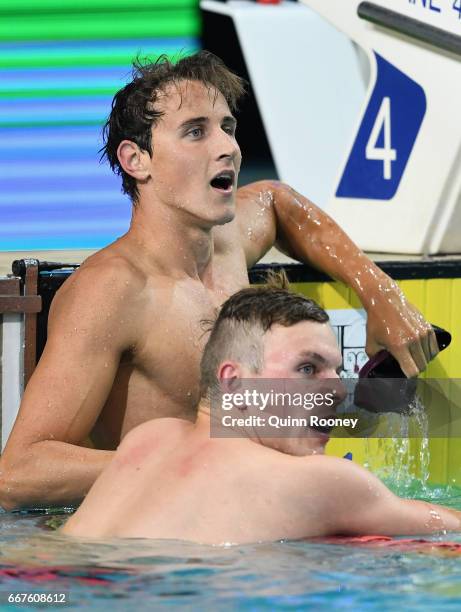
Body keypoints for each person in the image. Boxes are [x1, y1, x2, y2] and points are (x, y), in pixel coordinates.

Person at [0, 51, 437, 511]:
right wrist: (199, 459)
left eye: (227, 127)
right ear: (136, 160)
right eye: (195, 132)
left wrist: (381, 294)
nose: (226, 146)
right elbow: (20, 472)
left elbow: (277, 202)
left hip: (256, 522)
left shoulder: (226, 242)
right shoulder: (113, 290)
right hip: (167, 551)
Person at [61, 277, 459, 544]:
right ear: (234, 382)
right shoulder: (319, 480)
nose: (338, 388)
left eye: (335, 369)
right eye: (308, 368)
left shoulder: (146, 440)